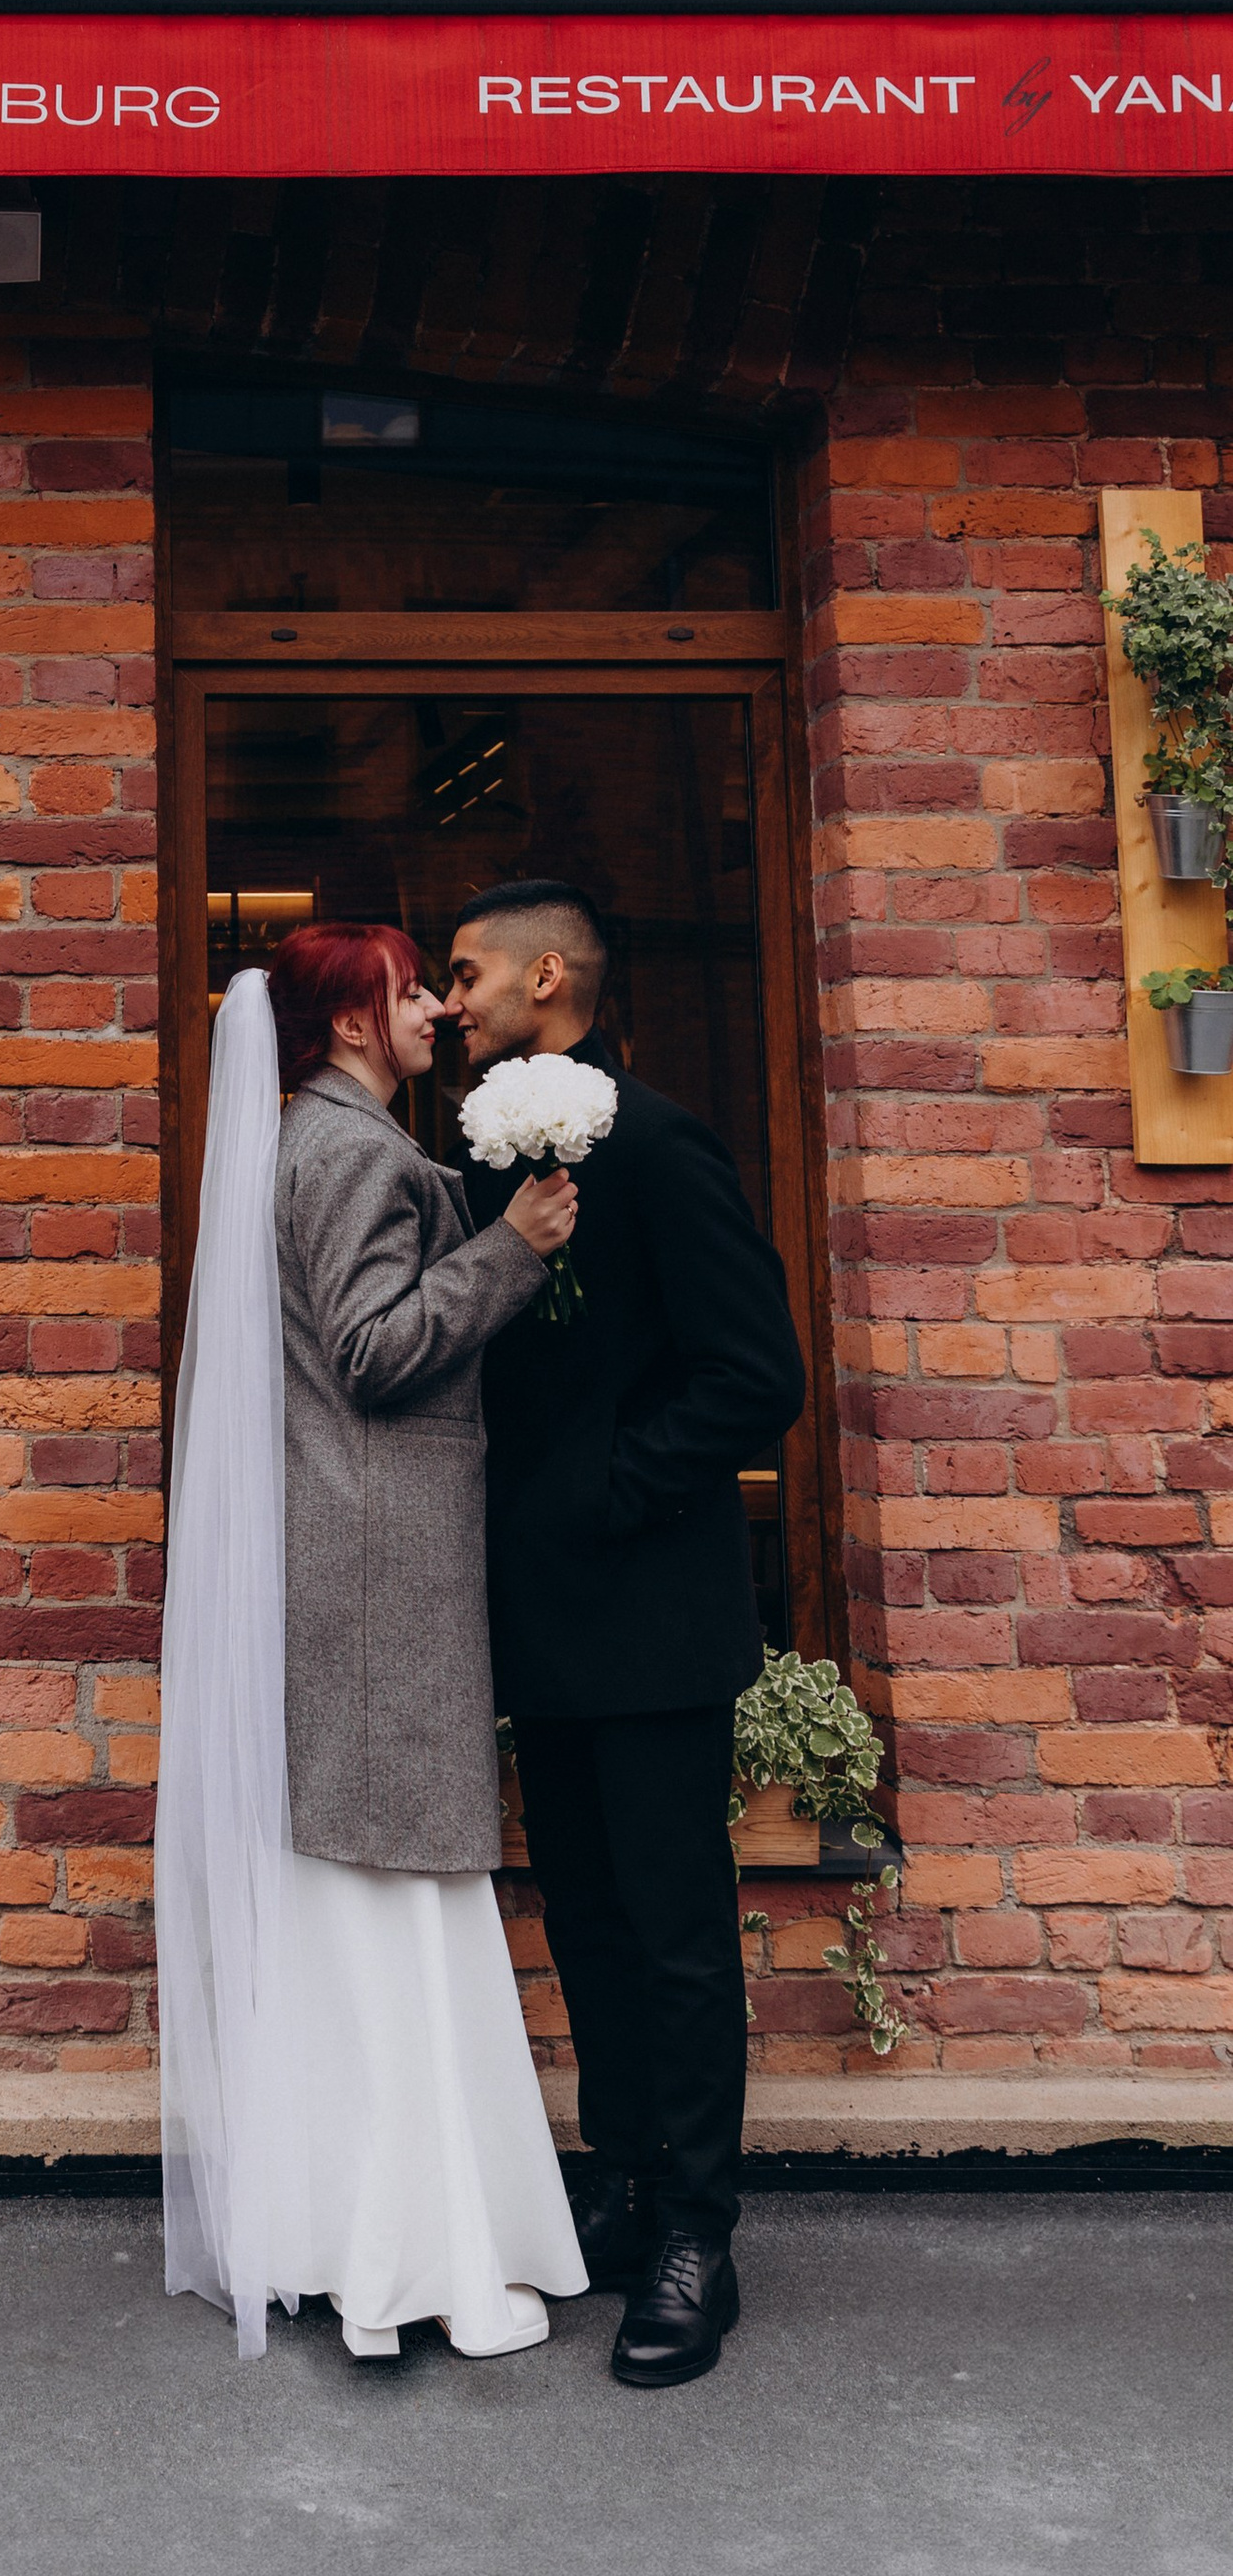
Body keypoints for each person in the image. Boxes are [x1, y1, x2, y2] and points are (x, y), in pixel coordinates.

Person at [159, 924, 588, 2364]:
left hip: (357, 1568)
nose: (429, 1010)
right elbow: (372, 1350)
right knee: (393, 1892)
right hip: (376, 1571)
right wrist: (508, 1254)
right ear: (351, 1022)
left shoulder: (320, 1142)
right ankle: (412, 2257)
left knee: (376, 1898)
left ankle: (361, 2228)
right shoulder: (348, 1154)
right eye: (410, 989)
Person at [443, 878, 808, 2393]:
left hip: (652, 1614)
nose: (448, 1001)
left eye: (465, 975)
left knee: (672, 1931)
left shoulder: (659, 1144)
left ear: (547, 979)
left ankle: (695, 2238)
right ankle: (622, 2170)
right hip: (535, 1620)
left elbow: (754, 1375)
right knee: (583, 1919)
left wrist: (607, 1491)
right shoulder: (473, 1168)